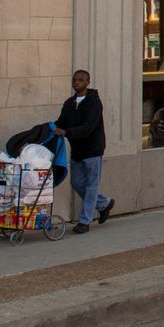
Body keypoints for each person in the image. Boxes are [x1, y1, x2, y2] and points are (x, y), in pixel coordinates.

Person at [55, 70, 113, 234]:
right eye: (74, 80)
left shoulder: (94, 103)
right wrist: (50, 129)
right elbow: (61, 122)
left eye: (80, 80)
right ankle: (104, 204)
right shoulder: (69, 103)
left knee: (91, 185)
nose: (76, 83)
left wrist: (67, 132)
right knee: (77, 183)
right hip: (77, 150)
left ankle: (85, 220)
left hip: (93, 149)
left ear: (88, 82)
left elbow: (89, 127)